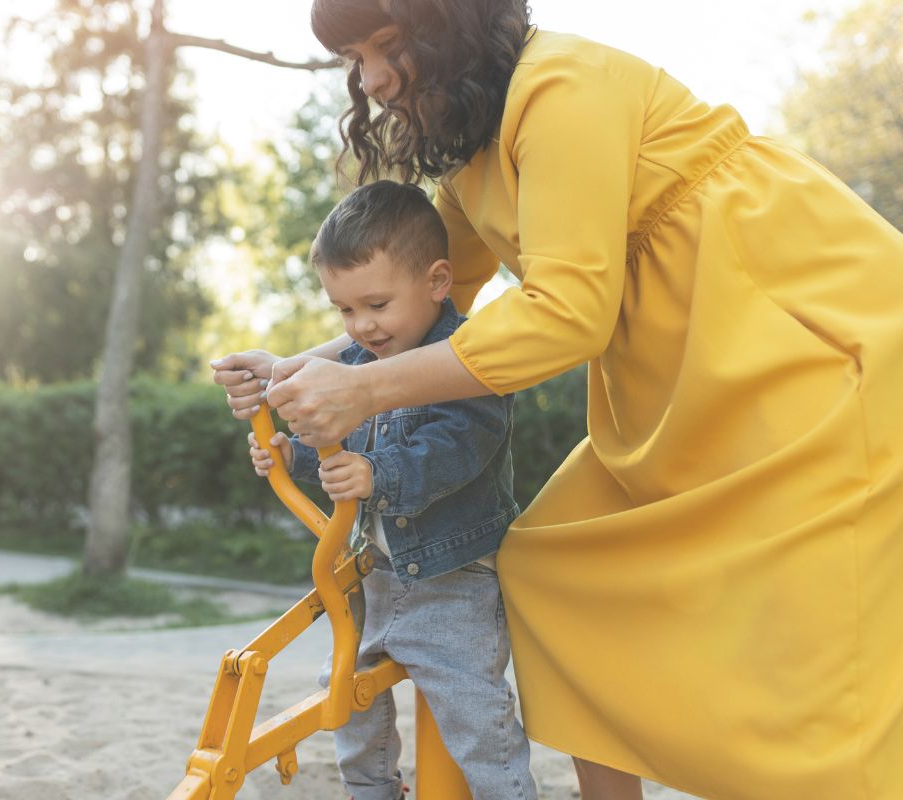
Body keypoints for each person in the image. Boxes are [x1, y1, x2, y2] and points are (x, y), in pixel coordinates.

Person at [211, 2, 903, 799]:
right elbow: (432, 308)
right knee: (547, 566)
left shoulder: (560, 90)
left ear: (451, 29)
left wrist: (361, 389)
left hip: (799, 337)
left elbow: (565, 316)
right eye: (355, 57)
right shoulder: (473, 156)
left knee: (818, 633)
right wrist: (293, 370)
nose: (368, 78)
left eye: (388, 45)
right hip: (675, 384)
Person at [242, 180, 537, 800]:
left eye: (376, 304)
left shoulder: (466, 360)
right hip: (372, 579)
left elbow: (460, 447)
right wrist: (291, 453)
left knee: (477, 719)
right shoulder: (354, 363)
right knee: (346, 698)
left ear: (436, 282)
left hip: (452, 584)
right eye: (345, 310)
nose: (361, 326)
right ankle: (372, 792)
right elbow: (335, 452)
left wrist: (380, 474)